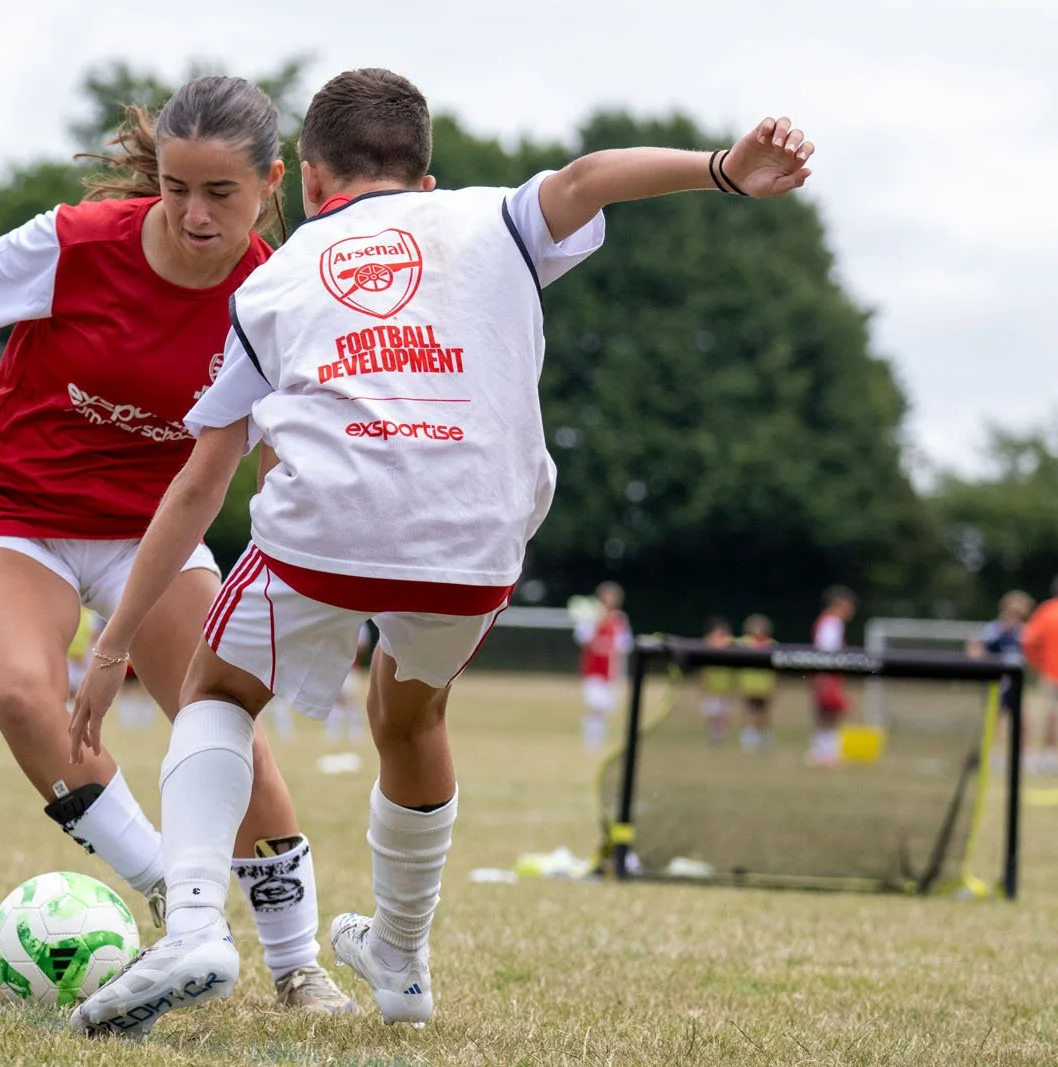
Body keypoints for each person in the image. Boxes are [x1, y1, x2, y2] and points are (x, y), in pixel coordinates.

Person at [66, 68, 816, 1035]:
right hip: (475, 539)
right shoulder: (489, 219)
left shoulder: (274, 281)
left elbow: (202, 479)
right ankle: (403, 963)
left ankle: (199, 925)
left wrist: (114, 640)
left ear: (312, 179)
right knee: (410, 718)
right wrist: (723, 167)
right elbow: (589, 178)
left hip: (330, 529)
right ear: (423, 176)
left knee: (217, 695)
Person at [0, 75, 352, 1012]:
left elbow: (276, 450)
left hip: (155, 534)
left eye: (220, 194)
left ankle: (298, 965)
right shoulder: (77, 244)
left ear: (273, 181)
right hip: (18, 508)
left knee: (227, 732)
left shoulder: (275, 296)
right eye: (174, 188)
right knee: (17, 692)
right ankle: (170, 893)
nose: (194, 214)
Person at [574, 582, 632, 750]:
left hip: (611, 670)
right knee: (594, 705)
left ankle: (599, 739)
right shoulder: (592, 616)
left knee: (605, 707)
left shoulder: (620, 619)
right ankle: (591, 743)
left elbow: (624, 644)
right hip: (593, 669)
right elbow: (582, 637)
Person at [809, 585, 857, 767]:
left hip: (828, 673)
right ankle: (824, 752)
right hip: (828, 672)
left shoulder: (830, 622)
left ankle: (825, 750)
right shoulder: (831, 623)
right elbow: (827, 650)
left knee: (829, 713)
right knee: (829, 713)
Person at [1020, 580, 1058, 774]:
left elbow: (1029, 639)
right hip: (1051, 670)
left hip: (1050, 672)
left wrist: (1036, 663)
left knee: (1049, 713)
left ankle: (1047, 754)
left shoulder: (1047, 611)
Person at [736, 614, 777, 750]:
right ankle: (749, 739)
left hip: (765, 684)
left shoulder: (771, 644)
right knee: (749, 711)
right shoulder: (743, 643)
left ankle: (765, 738)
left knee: (764, 713)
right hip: (748, 683)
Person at [699, 617, 735, 746]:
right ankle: (713, 736)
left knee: (723, 713)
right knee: (712, 712)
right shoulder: (708, 644)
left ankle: (721, 736)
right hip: (712, 684)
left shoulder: (731, 645)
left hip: (725, 684)